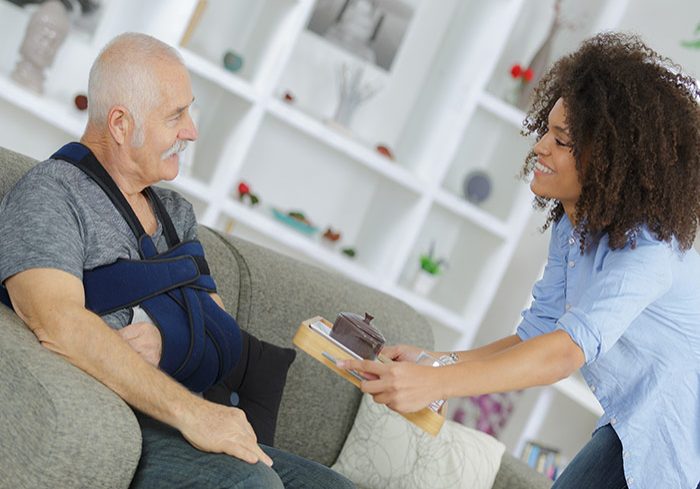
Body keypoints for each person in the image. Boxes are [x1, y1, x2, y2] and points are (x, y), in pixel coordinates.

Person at [340, 32, 700, 489]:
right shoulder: (575, 227)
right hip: (633, 426)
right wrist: (438, 364)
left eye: (562, 140)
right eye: (546, 130)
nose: (539, 148)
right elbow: (540, 332)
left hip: (681, 449)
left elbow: (563, 353)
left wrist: (436, 385)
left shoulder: (648, 253)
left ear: (610, 159)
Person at [0, 32, 354, 489]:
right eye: (176, 116)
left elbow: (223, 337)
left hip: (183, 413)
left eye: (189, 110)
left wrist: (165, 342)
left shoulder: (176, 215)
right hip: (127, 419)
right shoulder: (52, 194)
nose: (191, 130)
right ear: (122, 125)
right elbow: (56, 321)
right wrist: (193, 413)